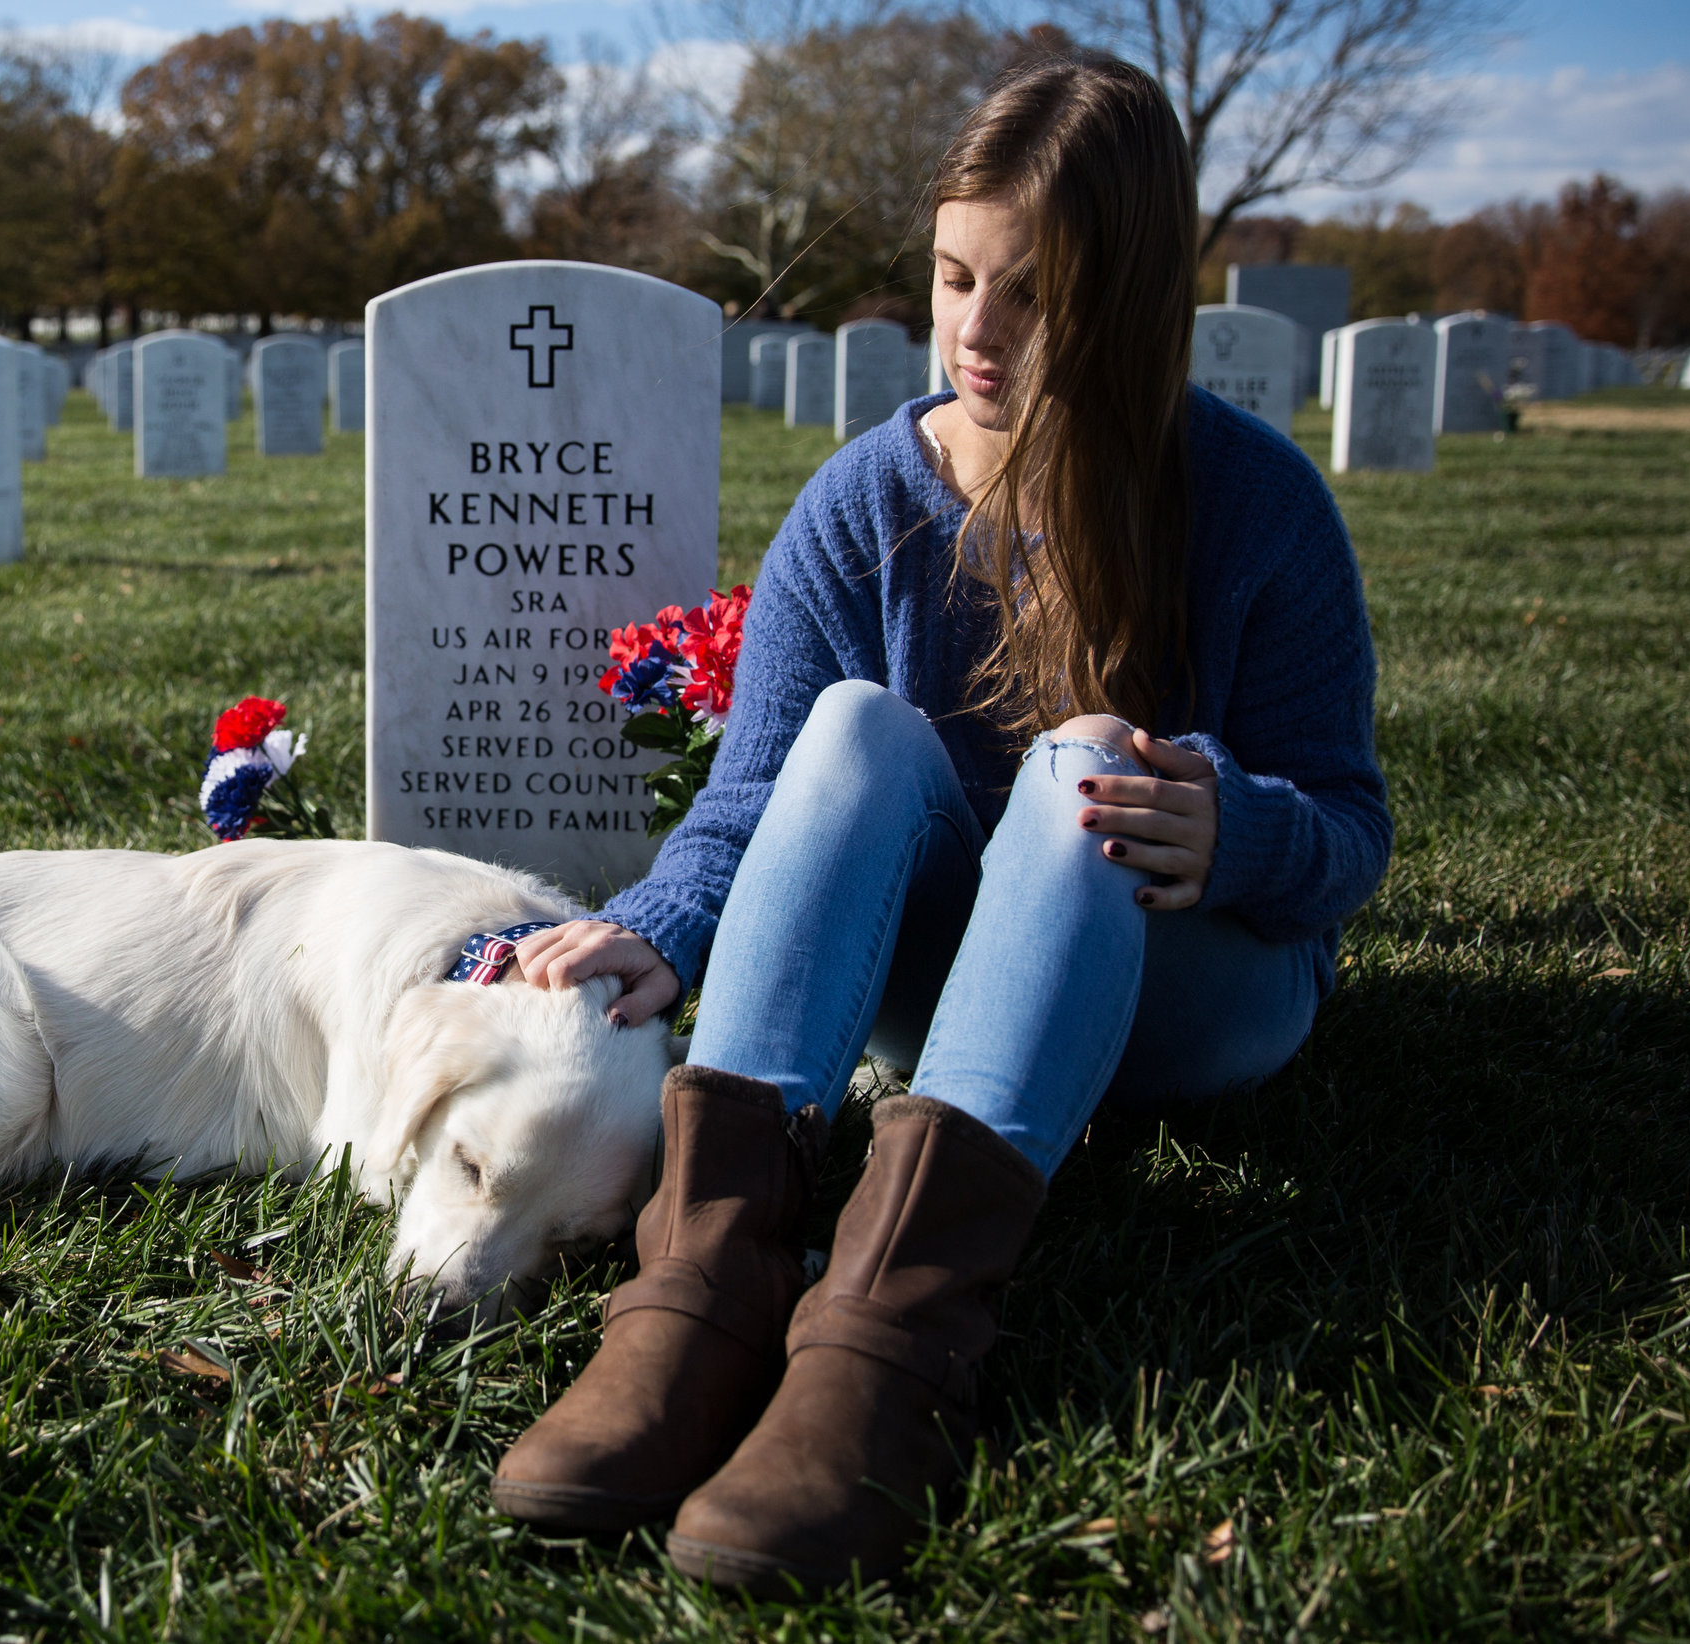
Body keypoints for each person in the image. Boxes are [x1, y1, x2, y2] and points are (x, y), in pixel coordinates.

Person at [488, 51, 1392, 1596]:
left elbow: (1350, 832)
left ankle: (888, 1336)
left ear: (1130, 297)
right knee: (851, 721)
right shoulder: (865, 502)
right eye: (956, 277)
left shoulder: (1254, 505)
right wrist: (658, 924)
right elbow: (761, 793)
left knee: (1082, 760)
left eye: (1032, 294)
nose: (976, 331)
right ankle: (704, 1285)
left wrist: (1236, 832)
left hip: (1196, 990)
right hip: (939, 976)